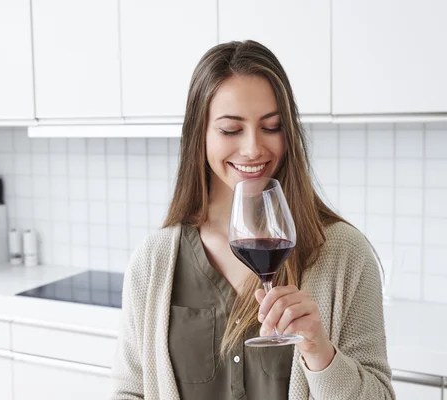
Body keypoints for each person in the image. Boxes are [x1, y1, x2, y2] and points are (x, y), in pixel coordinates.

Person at [110, 40, 394, 400]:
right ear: (200, 135)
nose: (253, 148)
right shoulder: (153, 261)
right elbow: (129, 391)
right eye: (231, 130)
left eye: (271, 127)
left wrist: (319, 353)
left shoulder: (345, 254)